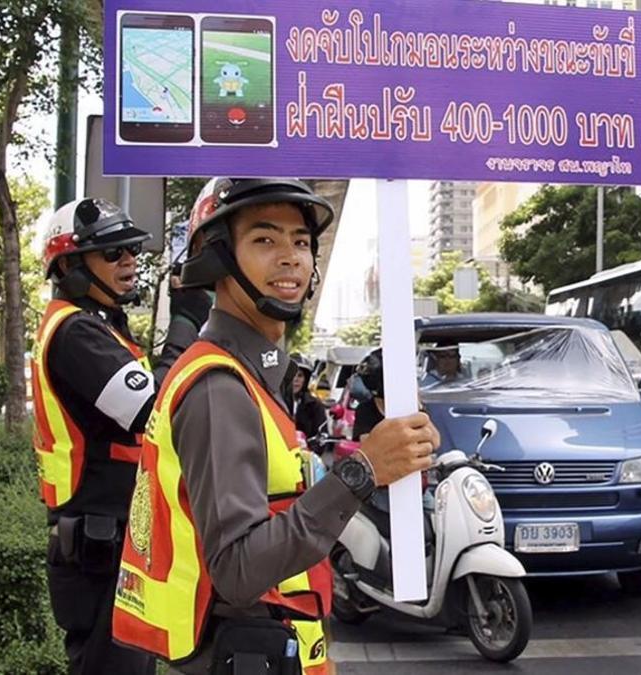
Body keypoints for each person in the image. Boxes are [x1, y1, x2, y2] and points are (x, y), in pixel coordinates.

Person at [112, 178, 439, 675]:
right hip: (241, 652)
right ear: (219, 257)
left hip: (273, 648)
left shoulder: (255, 374)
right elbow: (239, 570)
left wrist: (393, 454)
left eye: (301, 242)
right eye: (265, 239)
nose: (291, 257)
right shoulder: (218, 388)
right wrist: (363, 471)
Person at [33, 197, 212, 675]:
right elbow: (155, 410)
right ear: (70, 265)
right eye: (113, 254)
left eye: (132, 250)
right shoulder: (75, 333)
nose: (130, 261)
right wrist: (186, 322)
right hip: (98, 545)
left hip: (113, 536)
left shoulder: (102, 328)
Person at [287, 353, 328, 442]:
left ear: (305, 380)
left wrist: (309, 450)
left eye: (300, 375)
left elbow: (322, 436)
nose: (296, 379)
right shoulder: (274, 402)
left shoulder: (315, 406)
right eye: (292, 375)